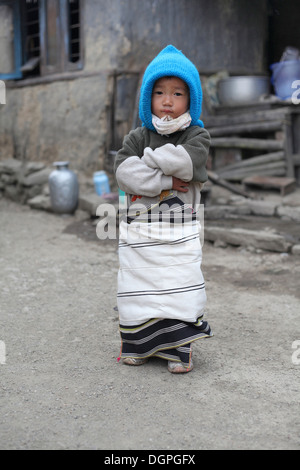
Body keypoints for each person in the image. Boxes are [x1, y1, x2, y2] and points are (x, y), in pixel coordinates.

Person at [114, 45, 213, 374]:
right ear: (147, 98)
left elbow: (186, 161)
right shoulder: (138, 136)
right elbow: (124, 174)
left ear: (191, 99)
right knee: (139, 287)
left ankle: (178, 350)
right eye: (158, 92)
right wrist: (168, 181)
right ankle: (139, 346)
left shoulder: (197, 135)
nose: (167, 101)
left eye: (177, 93)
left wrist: (148, 164)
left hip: (179, 234)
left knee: (177, 285)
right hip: (141, 233)